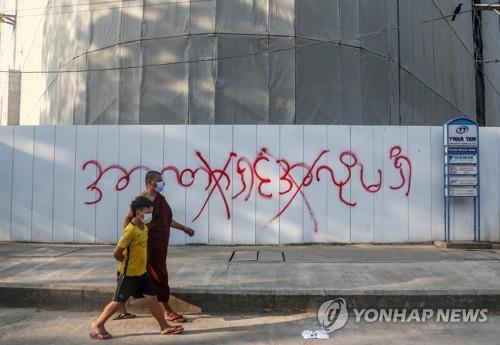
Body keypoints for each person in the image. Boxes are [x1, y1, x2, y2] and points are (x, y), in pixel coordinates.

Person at [89, 196, 184, 340]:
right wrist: (127, 264)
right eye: (148, 212)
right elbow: (117, 253)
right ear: (138, 212)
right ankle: (98, 325)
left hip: (142, 273)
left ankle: (164, 327)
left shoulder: (144, 227)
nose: (150, 216)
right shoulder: (130, 230)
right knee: (118, 302)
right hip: (129, 274)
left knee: (152, 299)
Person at [114, 171, 195, 323]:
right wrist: (130, 240)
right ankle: (168, 311)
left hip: (160, 245)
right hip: (146, 246)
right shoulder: (142, 200)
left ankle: (121, 309)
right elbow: (127, 219)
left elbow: (167, 220)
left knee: (135, 276)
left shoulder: (160, 199)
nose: (162, 183)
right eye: (159, 180)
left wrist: (184, 228)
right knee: (159, 276)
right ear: (150, 182)